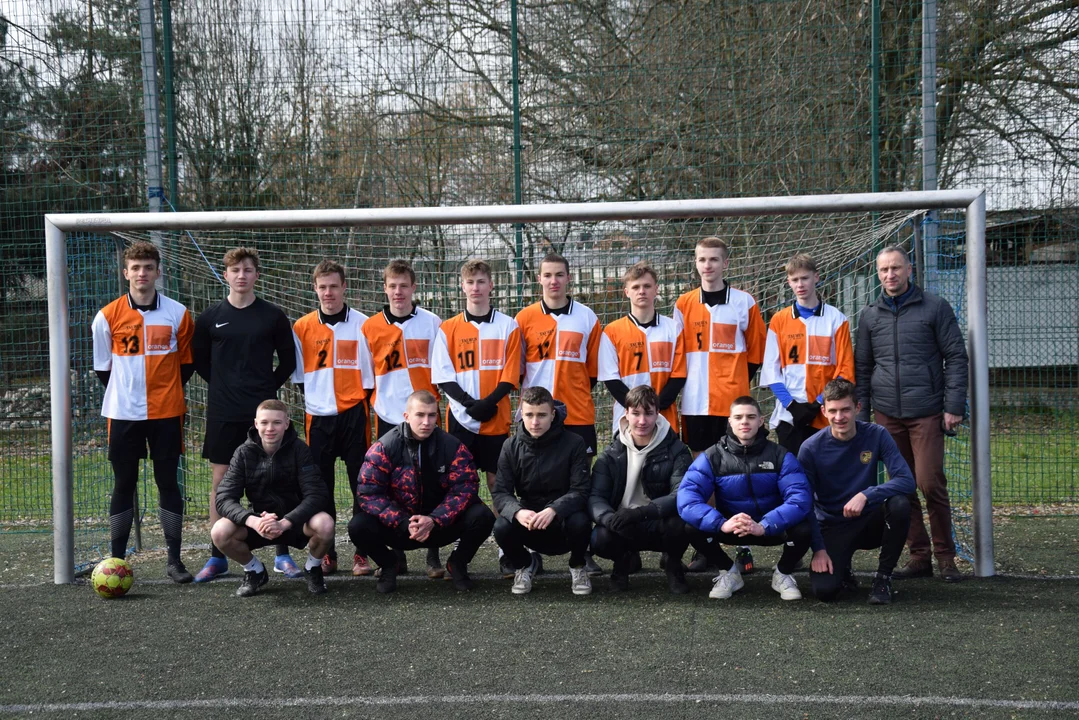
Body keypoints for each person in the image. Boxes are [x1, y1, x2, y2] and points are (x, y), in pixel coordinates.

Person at [855, 245, 968, 583]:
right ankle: (919, 556)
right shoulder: (869, 315)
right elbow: (863, 367)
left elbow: (956, 357)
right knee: (901, 487)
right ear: (878, 274)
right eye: (884, 270)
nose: (890, 274)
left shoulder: (935, 307)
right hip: (887, 414)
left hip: (927, 411)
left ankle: (946, 557)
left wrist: (953, 406)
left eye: (896, 268)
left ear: (909, 269)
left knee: (930, 483)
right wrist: (863, 416)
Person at [91, 241, 195, 583]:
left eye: (148, 267)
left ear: (158, 272)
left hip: (167, 413)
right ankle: (117, 562)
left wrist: (162, 391)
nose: (142, 273)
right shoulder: (107, 316)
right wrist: (129, 393)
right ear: (126, 273)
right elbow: (103, 368)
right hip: (123, 413)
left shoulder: (178, 314)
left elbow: (186, 365)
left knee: (168, 482)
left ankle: (174, 560)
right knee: (124, 483)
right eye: (135, 268)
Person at [192, 246, 298, 582]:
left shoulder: (273, 316)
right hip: (223, 412)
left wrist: (265, 388)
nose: (242, 275)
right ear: (225, 275)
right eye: (236, 270)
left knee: (276, 478)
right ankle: (217, 556)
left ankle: (282, 554)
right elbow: (199, 362)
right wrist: (225, 387)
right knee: (221, 482)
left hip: (264, 413)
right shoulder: (209, 318)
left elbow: (288, 361)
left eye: (248, 270)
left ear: (256, 275)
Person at [673, 237, 766, 574]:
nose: (708, 265)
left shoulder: (744, 302)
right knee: (705, 474)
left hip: (732, 407)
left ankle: (743, 547)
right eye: (702, 259)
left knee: (738, 476)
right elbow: (677, 353)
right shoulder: (683, 304)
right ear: (695, 263)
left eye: (714, 259)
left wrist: (736, 384)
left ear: (726, 263)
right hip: (695, 403)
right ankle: (708, 545)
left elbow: (756, 353)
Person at [348, 390, 495, 594]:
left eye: (431, 415)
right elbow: (368, 493)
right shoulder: (384, 448)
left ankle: (458, 563)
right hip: (400, 528)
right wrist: (402, 522)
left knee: (483, 516)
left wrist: (434, 519)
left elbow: (466, 488)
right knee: (358, 526)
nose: (426, 422)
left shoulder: (453, 447)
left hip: (439, 526)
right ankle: (389, 564)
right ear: (407, 416)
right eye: (420, 415)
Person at [515, 253, 604, 576]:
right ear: (539, 279)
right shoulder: (523, 319)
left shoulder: (587, 317)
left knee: (581, 482)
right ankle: (531, 548)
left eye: (559, 275)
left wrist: (572, 394)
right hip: (535, 416)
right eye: (548, 275)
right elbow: (517, 370)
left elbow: (593, 370)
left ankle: (583, 550)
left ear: (568, 278)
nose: (553, 281)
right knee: (530, 482)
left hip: (578, 413)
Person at [432, 259, 522, 576]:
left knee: (498, 484)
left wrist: (489, 402)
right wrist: (469, 403)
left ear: (491, 285)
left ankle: (505, 550)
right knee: (458, 486)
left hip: (495, 417)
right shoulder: (448, 328)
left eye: (481, 281)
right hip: (461, 418)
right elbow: (442, 375)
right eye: (470, 282)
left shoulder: (508, 326)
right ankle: (459, 552)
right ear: (462, 286)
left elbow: (512, 373)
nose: (476, 287)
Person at [677, 396, 814, 601]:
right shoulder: (712, 456)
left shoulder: (780, 455)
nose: (744, 422)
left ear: (760, 421)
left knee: (804, 527)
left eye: (750, 417)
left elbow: (800, 499)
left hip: (770, 528)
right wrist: (721, 523)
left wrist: (765, 525)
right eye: (738, 417)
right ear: (730, 421)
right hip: (732, 527)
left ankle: (783, 573)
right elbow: (687, 500)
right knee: (691, 527)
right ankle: (729, 572)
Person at [798, 379, 915, 605]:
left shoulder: (877, 434)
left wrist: (866, 495)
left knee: (899, 504)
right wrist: (818, 548)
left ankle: (883, 578)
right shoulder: (810, 448)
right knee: (825, 592)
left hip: (869, 520)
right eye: (833, 411)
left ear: (857, 408)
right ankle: (843, 571)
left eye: (845, 410)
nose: (839, 417)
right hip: (833, 525)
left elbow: (906, 481)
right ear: (824, 411)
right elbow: (804, 503)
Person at [361, 259, 443, 578]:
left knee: (432, 480)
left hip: (425, 417)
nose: (398, 292)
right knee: (393, 486)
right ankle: (397, 554)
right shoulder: (369, 327)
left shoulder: (432, 323)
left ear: (413, 287)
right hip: (388, 416)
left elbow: (440, 371)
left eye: (404, 286)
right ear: (385, 288)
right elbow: (367, 376)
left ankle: (433, 552)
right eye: (393, 286)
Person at [292, 260, 375, 576]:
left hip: (354, 414)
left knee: (361, 484)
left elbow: (370, 376)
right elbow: (300, 378)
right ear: (314, 288)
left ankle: (362, 553)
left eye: (334, 286)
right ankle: (328, 553)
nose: (328, 292)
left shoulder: (364, 324)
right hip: (318, 417)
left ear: (344, 287)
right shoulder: (302, 327)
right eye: (323, 287)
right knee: (320, 487)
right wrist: (320, 399)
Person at [211, 399, 335, 597]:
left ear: (286, 424)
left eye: (277, 422)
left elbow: (317, 494)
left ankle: (313, 568)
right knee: (220, 531)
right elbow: (224, 498)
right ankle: (254, 571)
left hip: (295, 523)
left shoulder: (300, 450)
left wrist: (286, 522)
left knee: (325, 524)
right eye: (264, 422)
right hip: (259, 523)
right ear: (256, 424)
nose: (270, 428)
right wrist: (253, 521)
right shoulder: (243, 453)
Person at [589, 386, 694, 594]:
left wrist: (640, 513)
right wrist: (609, 519)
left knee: (685, 524)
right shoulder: (610, 453)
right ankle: (622, 563)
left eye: (648, 413)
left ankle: (673, 564)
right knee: (600, 538)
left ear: (658, 414)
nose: (642, 421)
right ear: (626, 414)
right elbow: (595, 497)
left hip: (659, 519)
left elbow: (680, 494)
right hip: (624, 522)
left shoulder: (678, 450)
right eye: (635, 413)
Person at [492, 386, 593, 596]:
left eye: (542, 415)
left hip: (562, 520)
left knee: (581, 521)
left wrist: (554, 510)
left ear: (553, 414)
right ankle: (524, 565)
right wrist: (518, 512)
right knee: (501, 526)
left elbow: (581, 490)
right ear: (521, 414)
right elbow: (500, 492)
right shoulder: (510, 446)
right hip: (529, 521)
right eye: (529, 415)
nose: (535, 422)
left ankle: (577, 565)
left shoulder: (574, 443)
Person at [761, 253, 854, 454]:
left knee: (824, 470)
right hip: (789, 415)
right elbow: (770, 370)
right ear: (788, 282)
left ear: (816, 277)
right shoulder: (779, 320)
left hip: (825, 413)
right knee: (792, 470)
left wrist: (818, 403)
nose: (800, 284)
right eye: (795, 280)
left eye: (805, 278)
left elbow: (845, 371)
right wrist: (791, 405)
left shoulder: (836, 319)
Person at [598, 261, 686, 432]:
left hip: (665, 419)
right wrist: (638, 410)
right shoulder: (612, 331)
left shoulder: (673, 328)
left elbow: (679, 375)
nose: (642, 291)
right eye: (636, 287)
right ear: (627, 292)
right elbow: (611, 379)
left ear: (656, 289)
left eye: (647, 286)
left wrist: (655, 407)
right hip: (627, 420)